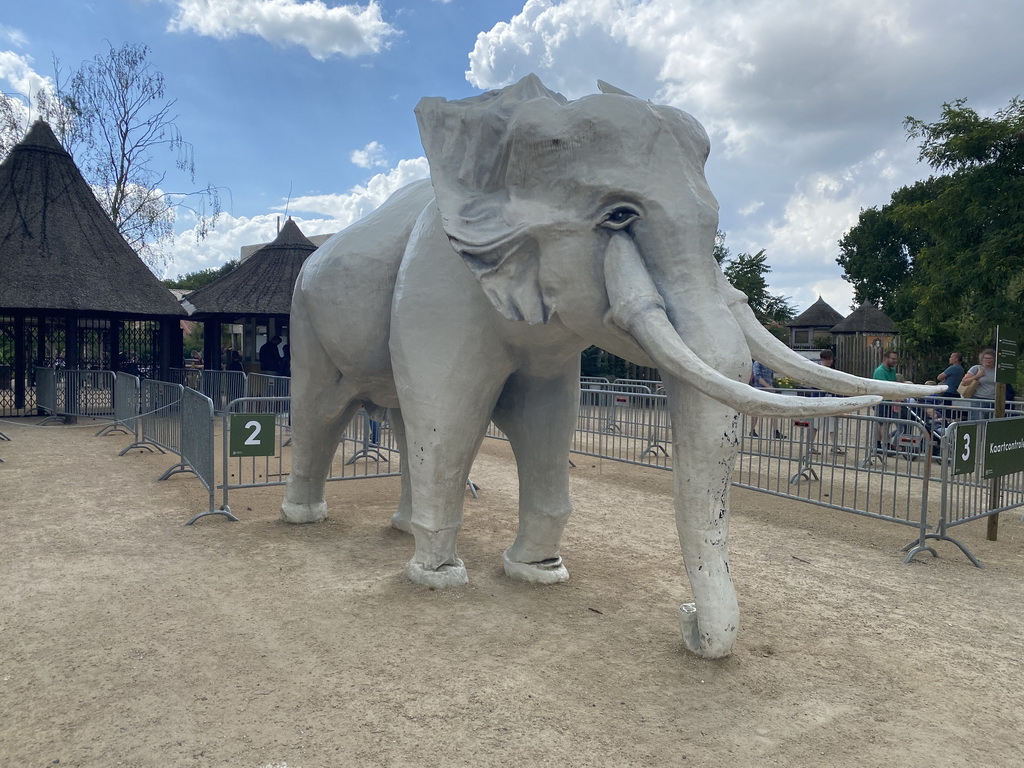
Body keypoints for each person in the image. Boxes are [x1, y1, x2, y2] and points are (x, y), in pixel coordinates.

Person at [810, 350, 844, 455]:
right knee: (815, 425)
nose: (830, 361)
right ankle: (810, 446)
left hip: (830, 400)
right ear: (822, 359)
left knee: (833, 425)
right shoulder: (817, 371)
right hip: (819, 401)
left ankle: (834, 446)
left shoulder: (831, 371)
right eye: (827, 359)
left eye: (830, 359)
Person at [749, 360, 784, 439]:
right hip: (760, 390)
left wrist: (770, 386)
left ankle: (775, 431)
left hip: (768, 390)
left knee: (774, 410)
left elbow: (770, 377)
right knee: (756, 412)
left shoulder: (768, 364)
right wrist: (768, 386)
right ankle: (752, 430)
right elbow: (757, 376)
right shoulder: (757, 363)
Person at [872, 349, 899, 452]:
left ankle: (879, 444)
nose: (894, 361)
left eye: (895, 359)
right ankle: (885, 444)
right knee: (883, 423)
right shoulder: (880, 371)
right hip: (881, 400)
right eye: (892, 359)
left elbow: (894, 384)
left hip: (888, 401)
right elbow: (885, 387)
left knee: (884, 423)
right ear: (886, 358)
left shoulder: (892, 371)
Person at [961, 348, 997, 418]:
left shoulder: (997, 371)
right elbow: (964, 382)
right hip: (978, 399)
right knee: (977, 421)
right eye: (986, 358)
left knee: (989, 423)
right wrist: (977, 376)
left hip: (993, 400)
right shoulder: (976, 368)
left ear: (994, 359)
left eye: (990, 358)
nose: (988, 360)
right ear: (982, 359)